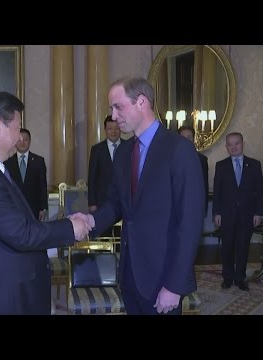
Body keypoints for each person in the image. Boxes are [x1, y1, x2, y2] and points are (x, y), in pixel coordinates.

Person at [72, 76, 205, 315]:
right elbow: (116, 203)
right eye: (111, 109)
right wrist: (92, 220)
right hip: (130, 274)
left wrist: (174, 286)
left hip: (164, 277)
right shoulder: (124, 151)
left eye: (118, 107)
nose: (113, 116)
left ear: (142, 102)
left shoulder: (179, 150)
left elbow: (190, 223)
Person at [0, 91, 90, 315]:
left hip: (12, 291)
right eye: (16, 128)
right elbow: (21, 233)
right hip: (1, 298)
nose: (19, 139)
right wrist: (70, 227)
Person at [213, 132, 263, 291]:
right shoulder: (221, 165)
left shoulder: (255, 165)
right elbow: (217, 192)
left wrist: (258, 213)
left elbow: (259, 191)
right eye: (230, 144)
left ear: (243, 144)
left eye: (237, 143)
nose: (234, 147)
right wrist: (217, 213)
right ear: (226, 147)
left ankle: (240, 278)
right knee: (227, 247)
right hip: (227, 215)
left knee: (243, 247)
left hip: (247, 215)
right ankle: (227, 278)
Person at [88, 115, 125, 236]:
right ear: (105, 130)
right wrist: (92, 203)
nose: (113, 132)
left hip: (124, 199)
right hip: (102, 201)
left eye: (116, 128)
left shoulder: (129, 147)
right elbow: (92, 177)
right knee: (104, 235)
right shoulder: (97, 150)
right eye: (110, 128)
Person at [4, 128, 48, 221]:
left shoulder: (39, 161)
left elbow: (43, 186)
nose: (22, 142)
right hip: (14, 209)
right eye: (19, 140)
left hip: (34, 209)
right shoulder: (7, 163)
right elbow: (6, 188)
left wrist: (43, 208)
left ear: (30, 141)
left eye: (25, 140)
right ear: (15, 142)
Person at [178, 125, 209, 212]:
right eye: (183, 137)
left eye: (189, 137)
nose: (186, 140)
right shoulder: (171, 158)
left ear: (193, 139)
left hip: (194, 207)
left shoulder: (202, 160)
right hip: (175, 207)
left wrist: (204, 209)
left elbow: (204, 186)